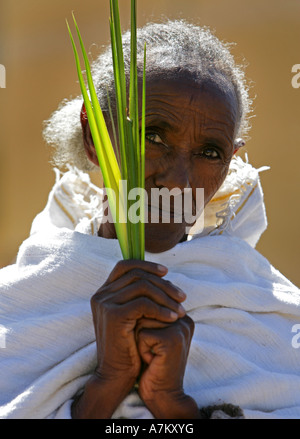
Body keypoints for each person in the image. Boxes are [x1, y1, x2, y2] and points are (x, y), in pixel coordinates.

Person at [0, 20, 299, 420]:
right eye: (152, 136)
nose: (178, 181)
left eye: (210, 152)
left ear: (231, 161)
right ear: (95, 136)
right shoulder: (17, 308)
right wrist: (107, 383)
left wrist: (173, 405)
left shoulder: (272, 318)